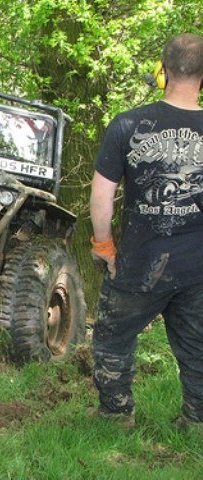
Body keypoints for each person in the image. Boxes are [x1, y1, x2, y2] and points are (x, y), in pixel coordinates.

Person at [89, 33, 203, 430]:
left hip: (140, 264)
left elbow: (101, 195)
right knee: (198, 347)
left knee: (113, 339)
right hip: (197, 266)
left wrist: (103, 244)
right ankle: (197, 421)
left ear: (162, 71)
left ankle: (116, 415)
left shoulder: (128, 123)